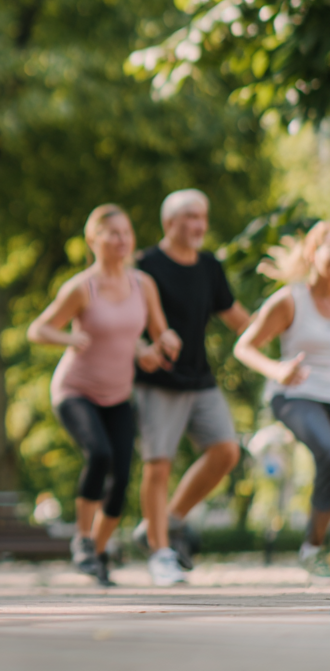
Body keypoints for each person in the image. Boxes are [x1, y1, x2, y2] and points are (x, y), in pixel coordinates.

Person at [28, 205, 180, 587]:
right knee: (100, 455)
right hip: (75, 391)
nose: (121, 240)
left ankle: (96, 551)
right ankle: (82, 539)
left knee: (123, 479)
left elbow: (157, 331)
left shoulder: (143, 284)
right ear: (93, 240)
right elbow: (38, 329)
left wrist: (162, 342)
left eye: (126, 232)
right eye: (111, 233)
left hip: (118, 394)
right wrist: (68, 337)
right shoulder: (82, 287)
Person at [132, 189, 250, 585]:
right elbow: (121, 319)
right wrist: (140, 349)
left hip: (200, 379)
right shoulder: (144, 264)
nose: (199, 224)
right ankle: (160, 552)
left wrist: (285, 331)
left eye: (202, 216)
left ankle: (165, 522)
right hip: (156, 381)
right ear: (170, 223)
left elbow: (237, 318)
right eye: (190, 217)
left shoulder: (210, 266)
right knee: (159, 463)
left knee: (226, 451)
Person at [234, 221, 330, 577]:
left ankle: (314, 549)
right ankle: (313, 550)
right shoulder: (290, 300)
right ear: (313, 252)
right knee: (329, 450)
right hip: (296, 394)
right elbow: (243, 346)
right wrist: (277, 370)